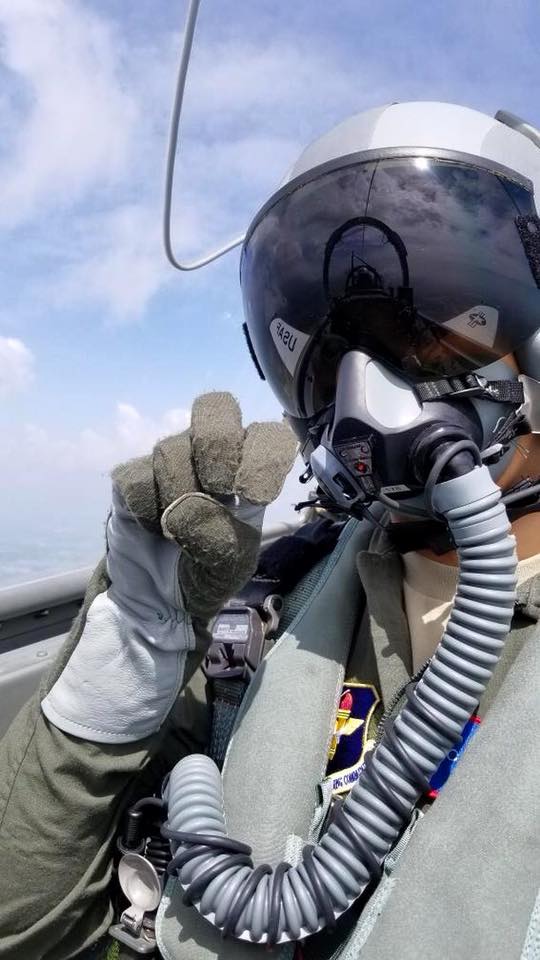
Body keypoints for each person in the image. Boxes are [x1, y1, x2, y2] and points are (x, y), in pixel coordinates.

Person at [1, 100, 540, 960]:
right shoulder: (261, 612)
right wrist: (127, 651)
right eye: (329, 352)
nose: (366, 388)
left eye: (429, 335)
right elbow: (22, 927)